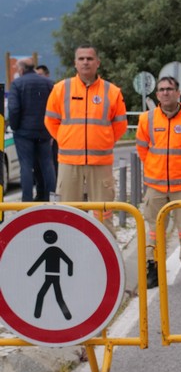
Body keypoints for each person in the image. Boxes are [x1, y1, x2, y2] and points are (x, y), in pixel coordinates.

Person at [44, 45, 127, 233]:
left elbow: (120, 125)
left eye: (89, 59)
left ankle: (107, 258)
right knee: (67, 213)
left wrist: (103, 142)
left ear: (98, 63)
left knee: (104, 215)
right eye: (81, 59)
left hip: (101, 163)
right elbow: (50, 121)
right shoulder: (60, 89)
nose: (85, 62)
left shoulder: (112, 91)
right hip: (68, 162)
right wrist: (66, 140)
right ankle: (70, 255)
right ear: (75, 63)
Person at [136, 75, 181, 290]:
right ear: (157, 94)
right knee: (153, 230)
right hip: (155, 186)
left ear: (178, 93)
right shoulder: (146, 119)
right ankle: (153, 268)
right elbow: (142, 150)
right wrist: (155, 169)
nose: (165, 92)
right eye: (161, 89)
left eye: (169, 89)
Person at [7, 58, 56, 202]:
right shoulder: (48, 83)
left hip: (24, 133)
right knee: (47, 164)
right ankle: (51, 197)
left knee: (26, 166)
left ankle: (26, 201)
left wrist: (15, 126)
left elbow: (14, 108)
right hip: (44, 130)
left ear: (21, 69)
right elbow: (55, 106)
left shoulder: (17, 84)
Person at [34, 64, 60, 183]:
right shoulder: (34, 91)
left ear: (47, 75)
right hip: (37, 133)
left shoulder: (54, 89)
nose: (38, 78)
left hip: (51, 134)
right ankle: (41, 194)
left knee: (52, 163)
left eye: (40, 75)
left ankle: (52, 193)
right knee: (38, 165)